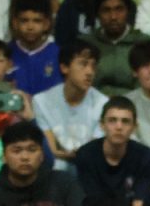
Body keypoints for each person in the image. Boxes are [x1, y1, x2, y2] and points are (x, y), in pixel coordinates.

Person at [74, 96, 150, 206]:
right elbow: (91, 204)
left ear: (134, 127)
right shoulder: (86, 154)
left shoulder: (145, 156)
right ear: (102, 125)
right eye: (112, 120)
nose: (119, 127)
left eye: (125, 121)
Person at [32, 41, 107, 170]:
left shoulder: (103, 103)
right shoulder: (42, 101)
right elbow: (50, 150)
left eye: (93, 66)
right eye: (83, 64)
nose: (89, 72)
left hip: (88, 169)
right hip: (52, 169)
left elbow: (91, 152)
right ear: (64, 68)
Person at [80, 0, 150, 96]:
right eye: (106, 10)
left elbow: (149, 87)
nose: (113, 16)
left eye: (119, 9)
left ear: (128, 11)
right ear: (97, 14)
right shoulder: (84, 44)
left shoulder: (146, 44)